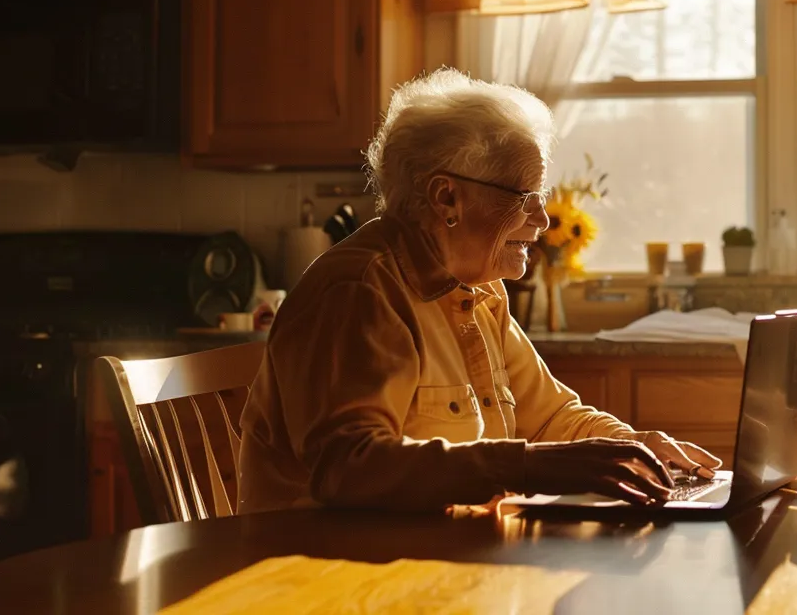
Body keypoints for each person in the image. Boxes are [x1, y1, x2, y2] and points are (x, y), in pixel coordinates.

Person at [238, 69, 719, 514]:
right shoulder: (357, 292)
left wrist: (633, 446)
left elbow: (551, 418)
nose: (544, 220)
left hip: (436, 558)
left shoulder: (478, 291)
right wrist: (529, 467)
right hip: (330, 580)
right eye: (524, 197)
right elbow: (350, 467)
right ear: (447, 197)